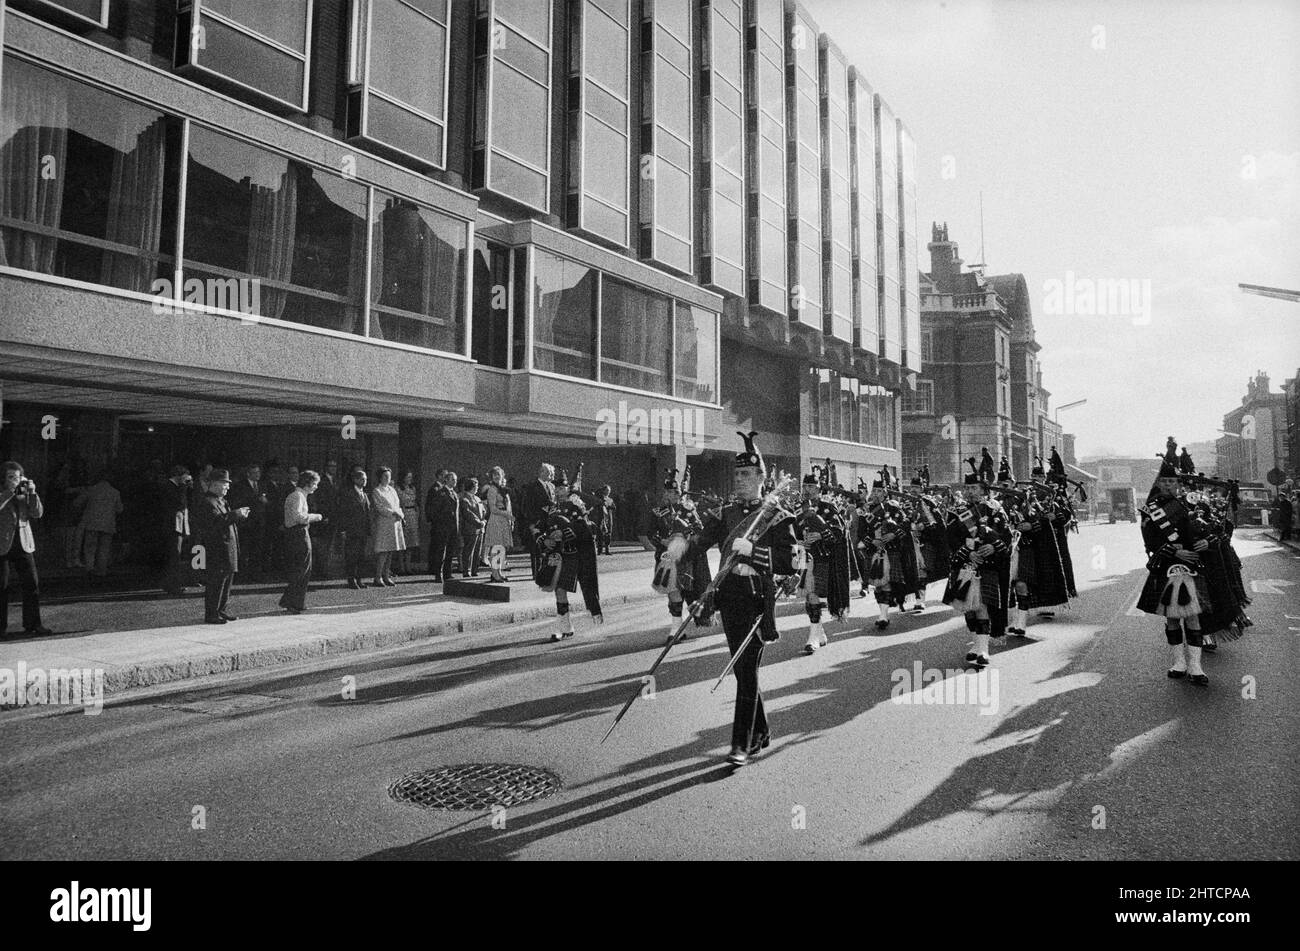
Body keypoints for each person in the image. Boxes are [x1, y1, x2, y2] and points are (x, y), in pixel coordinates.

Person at [682, 432, 795, 766]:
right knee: (744, 670)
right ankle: (760, 732)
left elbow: (793, 560)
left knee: (745, 670)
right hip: (729, 597)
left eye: (747, 474)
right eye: (736, 474)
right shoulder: (725, 515)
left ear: (761, 477)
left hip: (758, 599)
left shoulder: (776, 515)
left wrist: (756, 553)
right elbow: (700, 544)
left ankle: (740, 744)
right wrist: (678, 548)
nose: (740, 480)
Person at [1136, 450, 1211, 685]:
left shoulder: (1192, 504)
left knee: (1193, 619)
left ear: (1179, 483)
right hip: (1167, 565)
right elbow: (1150, 543)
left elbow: (1214, 531)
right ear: (1159, 483)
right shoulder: (1151, 509)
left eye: (1173, 481)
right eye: (1165, 481)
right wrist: (1174, 551)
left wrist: (1206, 541)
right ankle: (1178, 663)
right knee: (1171, 618)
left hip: (1191, 567)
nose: (1169, 485)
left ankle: (1196, 666)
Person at [942, 467, 1013, 670]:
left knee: (981, 606)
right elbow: (950, 540)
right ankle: (976, 642)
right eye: (967, 487)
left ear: (983, 489)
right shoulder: (957, 512)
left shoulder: (995, 509)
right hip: (966, 564)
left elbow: (1007, 536)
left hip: (988, 565)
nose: (969, 491)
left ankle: (983, 649)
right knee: (969, 608)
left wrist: (993, 546)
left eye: (973, 487)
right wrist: (967, 552)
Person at [531, 469, 603, 641]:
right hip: (558, 556)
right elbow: (535, 528)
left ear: (568, 489)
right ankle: (565, 628)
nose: (558, 492)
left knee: (584, 586)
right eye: (556, 489)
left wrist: (566, 533)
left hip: (575, 554)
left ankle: (592, 614)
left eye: (561, 489)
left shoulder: (576, 507)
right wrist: (544, 540)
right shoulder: (549, 509)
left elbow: (586, 530)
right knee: (559, 590)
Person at [649, 467, 713, 645]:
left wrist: (684, 538)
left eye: (676, 491)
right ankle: (676, 630)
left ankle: (678, 629)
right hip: (665, 558)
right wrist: (662, 541)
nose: (674, 494)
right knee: (672, 592)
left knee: (684, 591)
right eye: (670, 491)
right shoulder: (657, 512)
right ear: (665, 493)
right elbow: (650, 533)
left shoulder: (689, 510)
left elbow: (699, 531)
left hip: (685, 558)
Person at [795, 466, 854, 654]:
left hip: (824, 558)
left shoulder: (828, 509)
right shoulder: (797, 510)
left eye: (811, 486)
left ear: (819, 489)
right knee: (809, 596)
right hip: (805, 557)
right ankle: (816, 635)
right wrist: (799, 541)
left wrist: (820, 536)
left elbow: (839, 532)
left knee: (814, 595)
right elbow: (791, 533)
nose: (807, 490)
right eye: (805, 486)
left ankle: (815, 636)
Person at [0, 462, 52, 637]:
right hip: (2, 544)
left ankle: (33, 624)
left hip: (23, 542)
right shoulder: (4, 493)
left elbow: (38, 513)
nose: (15, 480)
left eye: (18, 477)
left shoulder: (24, 494)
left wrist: (32, 492)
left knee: (32, 583)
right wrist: (9, 492)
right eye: (10, 477)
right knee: (2, 586)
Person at [193, 469, 249, 624]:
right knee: (216, 582)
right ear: (215, 484)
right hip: (216, 549)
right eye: (225, 484)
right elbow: (216, 523)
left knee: (227, 581)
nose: (228, 487)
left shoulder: (221, 501)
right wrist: (236, 514)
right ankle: (212, 614)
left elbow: (224, 521)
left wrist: (238, 515)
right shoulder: (206, 502)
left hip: (227, 547)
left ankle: (221, 610)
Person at [280, 470, 325, 614]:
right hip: (298, 533)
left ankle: (295, 601)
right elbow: (298, 517)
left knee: (303, 568)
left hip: (299, 532)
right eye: (314, 484)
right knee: (302, 568)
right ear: (307, 484)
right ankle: (292, 602)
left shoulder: (299, 495)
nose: (316, 487)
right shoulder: (298, 496)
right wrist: (316, 517)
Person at [75, 470, 123, 579]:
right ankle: (102, 570)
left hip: (92, 523)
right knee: (104, 548)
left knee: (90, 547)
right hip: (108, 524)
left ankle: (89, 567)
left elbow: (77, 502)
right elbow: (120, 509)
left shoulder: (92, 490)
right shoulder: (115, 492)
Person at [229, 464, 268, 578]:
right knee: (245, 548)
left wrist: (265, 501)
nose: (257, 475)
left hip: (259, 521)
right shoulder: (240, 486)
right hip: (246, 522)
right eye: (255, 473)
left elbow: (268, 501)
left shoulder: (262, 485)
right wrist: (256, 499)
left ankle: (255, 573)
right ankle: (242, 574)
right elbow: (239, 501)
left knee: (257, 549)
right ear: (248, 474)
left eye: (258, 472)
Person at [335, 467, 372, 589]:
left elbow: (367, 513)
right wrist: (343, 530)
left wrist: (368, 529)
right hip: (351, 530)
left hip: (362, 530)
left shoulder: (365, 495)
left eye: (365, 479)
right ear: (355, 479)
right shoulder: (348, 494)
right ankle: (351, 579)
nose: (364, 481)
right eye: (362, 479)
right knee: (351, 556)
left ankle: (359, 578)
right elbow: (343, 513)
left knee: (361, 556)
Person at [519, 463, 557, 577]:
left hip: (549, 522)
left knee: (548, 548)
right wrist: (532, 523)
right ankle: (536, 573)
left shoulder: (551, 486)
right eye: (550, 473)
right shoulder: (532, 487)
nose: (552, 475)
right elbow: (526, 506)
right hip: (537, 522)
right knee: (536, 549)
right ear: (542, 473)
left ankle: (546, 571)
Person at [370, 467, 405, 587]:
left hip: (394, 523)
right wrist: (392, 513)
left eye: (389, 476)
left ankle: (386, 575)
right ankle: (377, 576)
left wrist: (400, 514)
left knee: (390, 551)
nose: (387, 478)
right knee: (383, 551)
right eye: (385, 476)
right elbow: (379, 507)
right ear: (380, 477)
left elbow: (398, 504)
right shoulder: (377, 491)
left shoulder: (392, 490)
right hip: (384, 523)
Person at [161, 465, 193, 595]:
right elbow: (180, 503)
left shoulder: (174, 486)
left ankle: (172, 583)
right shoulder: (170, 487)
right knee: (175, 554)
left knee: (175, 554)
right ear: (179, 475)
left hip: (177, 524)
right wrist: (184, 487)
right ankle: (173, 585)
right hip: (173, 525)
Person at [425, 469, 460, 582]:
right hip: (443, 526)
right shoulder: (441, 492)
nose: (455, 482)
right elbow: (435, 510)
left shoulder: (454, 493)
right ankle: (438, 573)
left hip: (453, 527)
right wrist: (439, 524)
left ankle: (447, 573)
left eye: (455, 480)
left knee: (450, 550)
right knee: (441, 551)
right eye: (452, 480)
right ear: (446, 480)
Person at [480, 467, 514, 582]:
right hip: (496, 519)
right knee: (496, 547)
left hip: (504, 520)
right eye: (494, 475)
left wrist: (510, 519)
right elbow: (493, 508)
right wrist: (506, 514)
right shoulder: (492, 489)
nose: (497, 477)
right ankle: (494, 573)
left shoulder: (503, 489)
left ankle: (498, 572)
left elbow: (508, 505)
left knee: (501, 548)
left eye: (498, 475)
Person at [309, 459, 339, 580]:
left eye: (335, 466)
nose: (333, 468)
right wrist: (324, 516)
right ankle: (320, 571)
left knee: (329, 546)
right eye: (331, 466)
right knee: (322, 546)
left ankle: (325, 569)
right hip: (324, 518)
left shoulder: (336, 481)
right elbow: (320, 500)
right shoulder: (321, 481)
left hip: (333, 517)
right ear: (326, 467)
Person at [458, 477, 486, 577]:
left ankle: (474, 569)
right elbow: (467, 514)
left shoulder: (477, 498)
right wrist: (479, 522)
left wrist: (483, 521)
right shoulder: (464, 499)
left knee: (477, 551)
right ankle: (467, 570)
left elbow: (483, 511)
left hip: (480, 528)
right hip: (471, 528)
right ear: (472, 487)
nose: (478, 488)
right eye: (476, 486)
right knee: (469, 550)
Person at [396, 471, 421, 575]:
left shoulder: (413, 488)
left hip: (412, 514)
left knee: (411, 542)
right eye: (408, 477)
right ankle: (401, 566)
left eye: (411, 477)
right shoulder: (398, 489)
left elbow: (415, 502)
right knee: (403, 541)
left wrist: (417, 513)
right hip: (403, 512)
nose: (410, 479)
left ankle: (408, 566)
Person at [592, 485, 615, 555]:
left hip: (609, 518)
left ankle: (607, 550)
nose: (608, 492)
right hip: (601, 518)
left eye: (609, 490)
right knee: (600, 534)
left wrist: (608, 505)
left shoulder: (610, 499)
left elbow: (614, 507)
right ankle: (599, 550)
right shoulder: (600, 498)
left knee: (608, 534)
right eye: (607, 490)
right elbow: (596, 505)